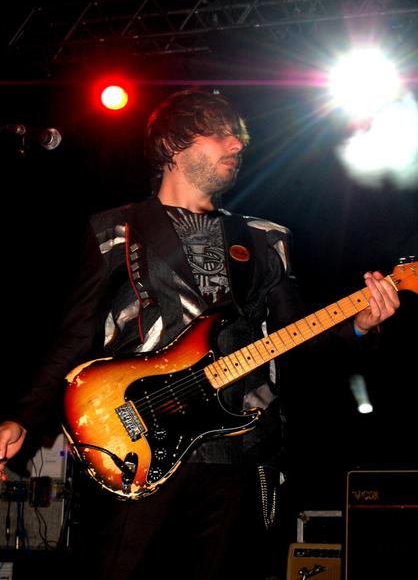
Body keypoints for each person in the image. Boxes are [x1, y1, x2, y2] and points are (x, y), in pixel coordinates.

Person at [0, 88, 400, 579]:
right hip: (138, 443)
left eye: (240, 137)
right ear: (173, 144)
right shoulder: (115, 231)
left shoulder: (266, 238)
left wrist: (359, 326)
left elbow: (298, 337)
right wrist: (24, 416)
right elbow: (75, 335)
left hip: (240, 445)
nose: (238, 145)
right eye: (222, 134)